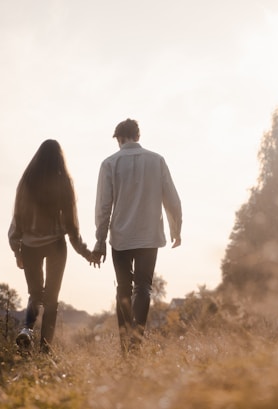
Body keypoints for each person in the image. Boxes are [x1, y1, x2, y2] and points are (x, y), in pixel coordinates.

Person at [92, 118, 182, 354]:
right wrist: (176, 230)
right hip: (148, 236)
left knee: (123, 287)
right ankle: (135, 344)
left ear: (119, 139)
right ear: (138, 136)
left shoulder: (109, 163)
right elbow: (172, 199)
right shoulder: (157, 160)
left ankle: (125, 347)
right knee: (143, 288)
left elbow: (103, 207)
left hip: (121, 237)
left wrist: (99, 241)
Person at [8, 139, 92, 354]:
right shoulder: (63, 182)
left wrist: (17, 249)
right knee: (52, 299)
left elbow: (17, 218)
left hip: (29, 246)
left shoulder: (27, 181)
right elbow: (71, 226)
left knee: (35, 294)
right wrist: (86, 253)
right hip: (56, 246)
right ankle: (45, 350)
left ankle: (26, 329)